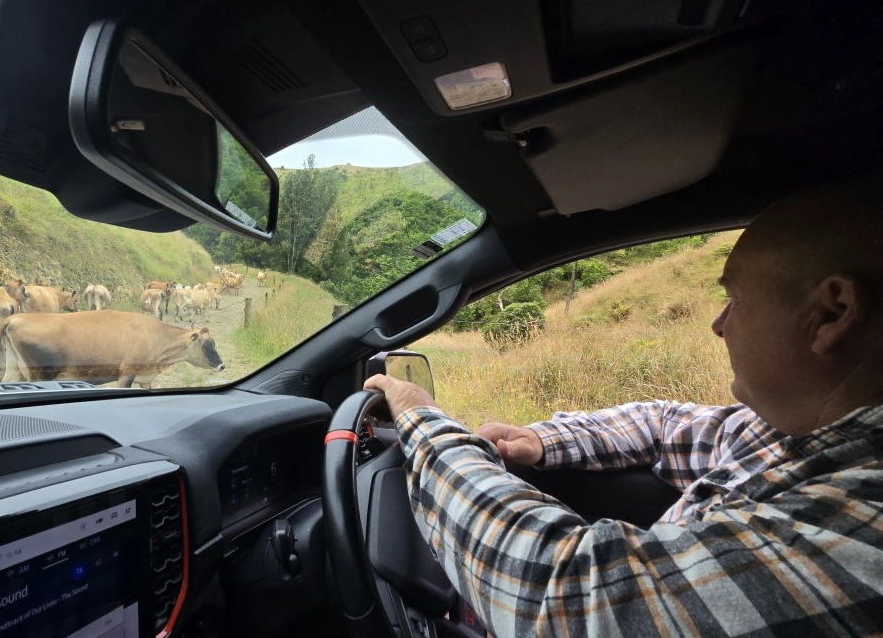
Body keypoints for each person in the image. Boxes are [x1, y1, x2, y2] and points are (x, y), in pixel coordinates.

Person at [365, 185, 883, 637]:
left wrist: (425, 426)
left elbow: (569, 598)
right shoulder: (788, 432)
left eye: (737, 300)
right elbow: (663, 424)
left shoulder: (862, 531)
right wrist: (544, 441)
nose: (719, 324)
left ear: (832, 311)